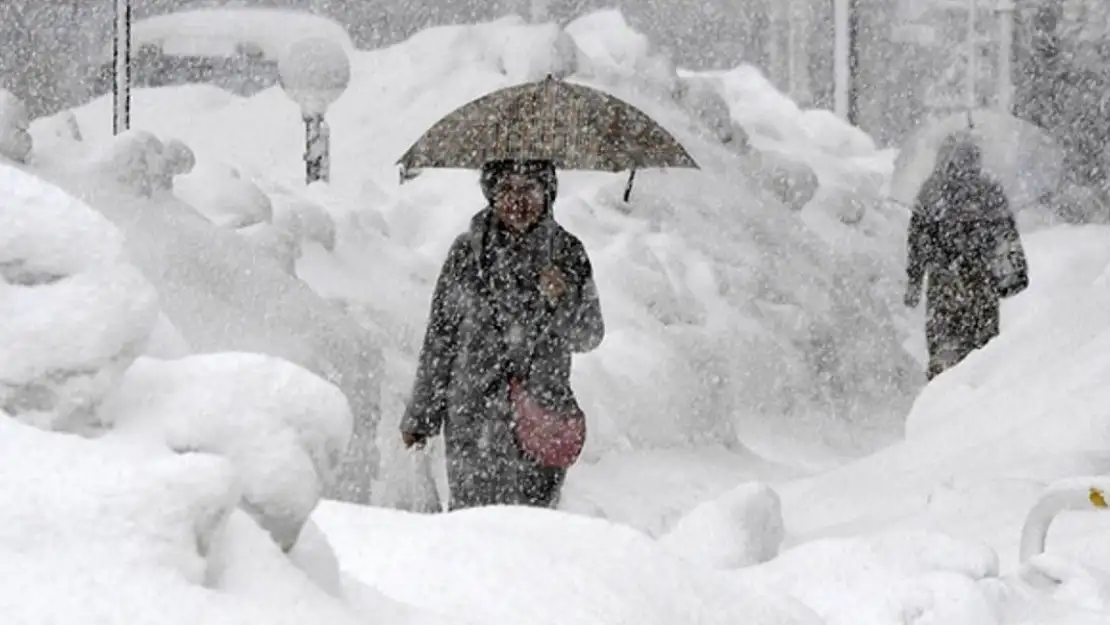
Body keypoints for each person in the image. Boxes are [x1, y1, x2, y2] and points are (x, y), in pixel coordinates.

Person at [400, 158, 605, 511]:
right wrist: (422, 415)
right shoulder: (466, 253)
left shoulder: (568, 253)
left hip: (541, 415)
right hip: (472, 417)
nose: (517, 200)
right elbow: (441, 337)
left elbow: (590, 334)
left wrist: (563, 300)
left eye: (529, 188)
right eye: (506, 189)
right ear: (490, 194)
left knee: (533, 532)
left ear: (548, 192)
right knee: (472, 528)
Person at [904, 137, 1028, 380]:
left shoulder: (932, 191)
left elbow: (918, 241)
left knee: (943, 343)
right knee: (983, 347)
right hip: (982, 281)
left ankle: (941, 393)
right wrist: (1014, 273)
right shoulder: (989, 189)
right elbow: (1006, 235)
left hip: (944, 283)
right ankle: (979, 395)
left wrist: (915, 281)